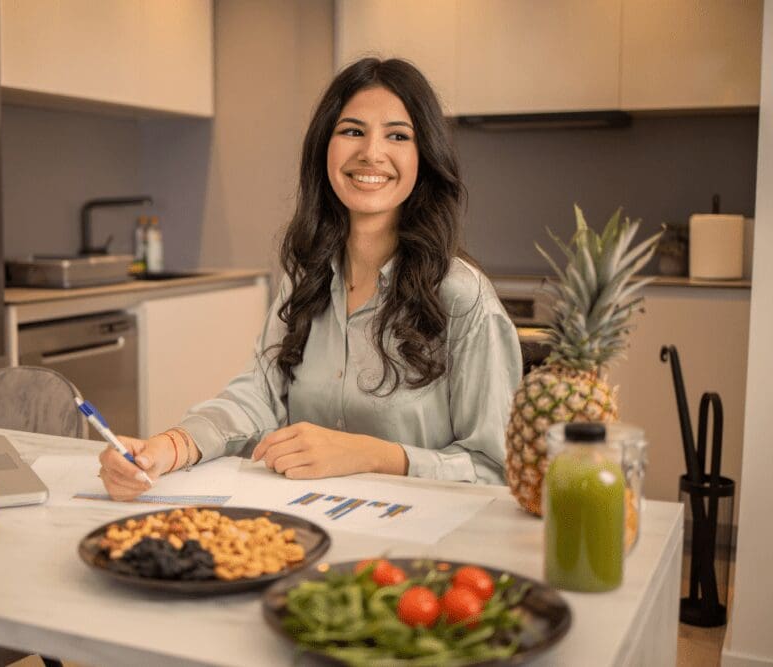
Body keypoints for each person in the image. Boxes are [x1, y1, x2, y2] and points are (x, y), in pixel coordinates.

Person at [99, 58, 521, 501]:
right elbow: (258, 395)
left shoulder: (463, 296)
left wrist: (373, 455)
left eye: (398, 135)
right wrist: (168, 448)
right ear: (325, 148)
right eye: (352, 131)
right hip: (308, 520)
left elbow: (497, 469)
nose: (371, 152)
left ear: (425, 157)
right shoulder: (306, 275)